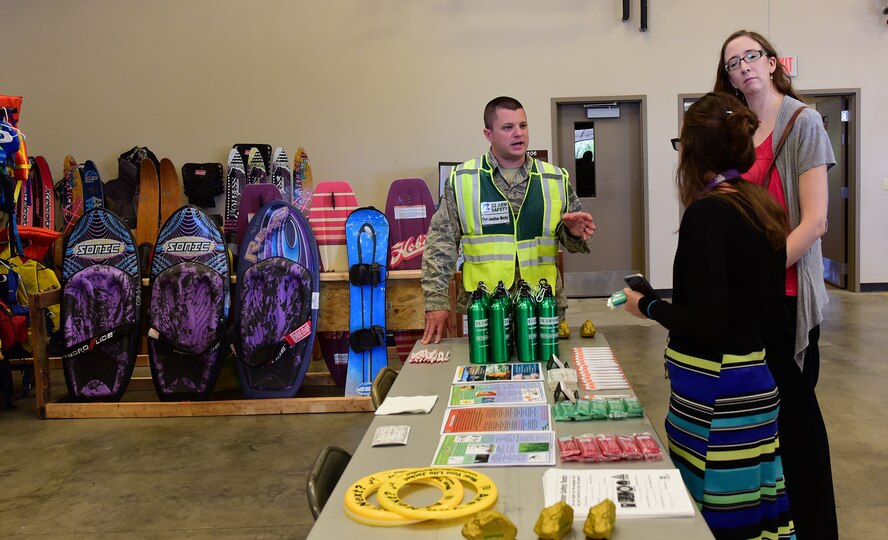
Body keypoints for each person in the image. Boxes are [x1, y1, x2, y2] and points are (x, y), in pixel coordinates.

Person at [622, 92, 795, 539]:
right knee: (754, 514)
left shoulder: (707, 212)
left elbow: (706, 323)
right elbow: (759, 306)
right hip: (754, 386)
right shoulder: (762, 206)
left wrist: (649, 306)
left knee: (714, 519)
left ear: (694, 151)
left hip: (716, 399)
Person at [714, 30, 838, 539]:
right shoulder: (734, 128)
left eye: (751, 56)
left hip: (787, 298)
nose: (744, 67)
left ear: (770, 62)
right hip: (748, 300)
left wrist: (759, 276)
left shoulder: (803, 122)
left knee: (796, 421)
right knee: (757, 422)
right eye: (732, 62)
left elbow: (815, 223)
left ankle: (814, 528)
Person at [421, 96, 595, 344]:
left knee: (548, 374)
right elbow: (440, 245)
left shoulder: (554, 179)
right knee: (485, 375)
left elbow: (571, 241)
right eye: (507, 127)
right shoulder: (462, 180)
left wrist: (574, 233)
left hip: (542, 304)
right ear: (488, 134)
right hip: (485, 307)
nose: (518, 133)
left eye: (523, 126)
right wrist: (436, 301)